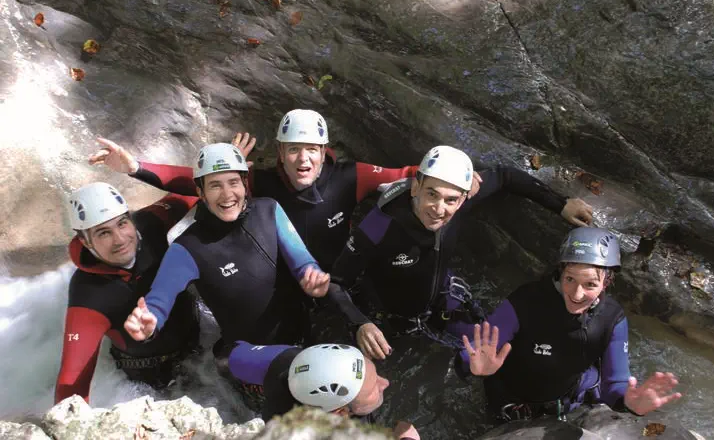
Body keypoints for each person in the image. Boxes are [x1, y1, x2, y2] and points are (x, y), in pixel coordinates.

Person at [87, 109, 467, 271]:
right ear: (281, 153)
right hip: (286, 276)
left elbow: (408, 174)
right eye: (294, 150)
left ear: (323, 152)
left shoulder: (350, 176)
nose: (303, 159)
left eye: (311, 150)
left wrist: (462, 179)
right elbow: (197, 181)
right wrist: (135, 168)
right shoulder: (262, 182)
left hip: (340, 274)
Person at [332, 145, 594, 360]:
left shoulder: (462, 197)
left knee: (497, 348)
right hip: (393, 316)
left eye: (451, 200)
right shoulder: (379, 226)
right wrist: (360, 323)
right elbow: (335, 282)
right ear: (415, 187)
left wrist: (561, 204)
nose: (439, 209)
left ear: (463, 198)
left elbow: (505, 176)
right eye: (431, 194)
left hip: (441, 298)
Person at [122, 143, 332, 390]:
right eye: (215, 185)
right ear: (200, 192)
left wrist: (313, 277)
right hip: (249, 354)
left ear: (244, 183)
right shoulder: (186, 248)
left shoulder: (268, 210)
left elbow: (302, 261)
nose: (227, 194)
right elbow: (159, 300)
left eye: (233, 182)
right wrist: (150, 322)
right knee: (301, 374)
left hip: (302, 332)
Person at [458, 227, 682, 422]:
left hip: (567, 406)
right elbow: (472, 352)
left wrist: (630, 403)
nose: (577, 294)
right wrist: (474, 366)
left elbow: (614, 384)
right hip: (510, 405)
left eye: (590, 284)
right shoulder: (525, 302)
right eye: (570, 279)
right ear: (560, 272)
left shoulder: (612, 318)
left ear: (607, 282)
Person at [56, 182, 200, 404]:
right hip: (148, 373)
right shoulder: (87, 294)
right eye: (104, 233)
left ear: (130, 219)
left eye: (122, 224)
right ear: (85, 241)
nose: (120, 239)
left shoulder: (149, 224)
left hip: (198, 341)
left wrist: (138, 168)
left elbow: (193, 187)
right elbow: (72, 379)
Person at [225, 342, 419, 439]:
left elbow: (230, 354)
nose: (386, 383)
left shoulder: (290, 360)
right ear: (341, 412)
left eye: (376, 376)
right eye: (372, 389)